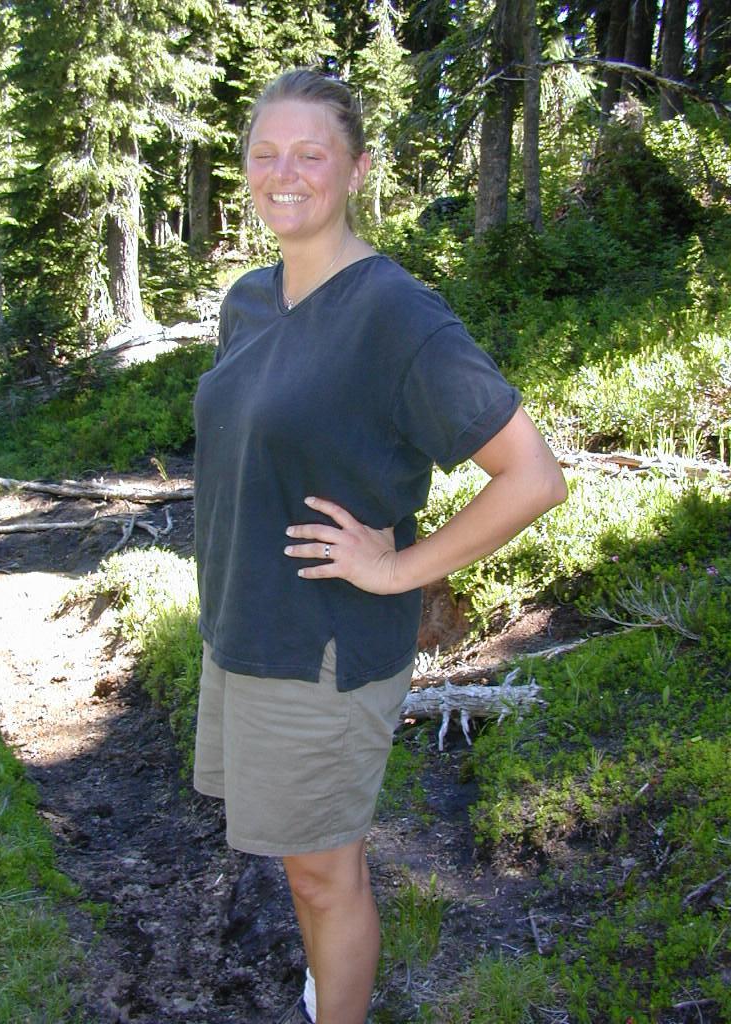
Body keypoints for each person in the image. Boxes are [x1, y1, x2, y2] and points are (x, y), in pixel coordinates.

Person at [192, 68, 567, 1024]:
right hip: (246, 626)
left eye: (309, 154)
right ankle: (327, 992)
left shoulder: (398, 316)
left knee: (326, 875)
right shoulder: (249, 300)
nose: (284, 173)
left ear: (356, 169)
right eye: (266, 153)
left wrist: (396, 566)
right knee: (303, 858)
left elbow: (533, 475)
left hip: (324, 647)